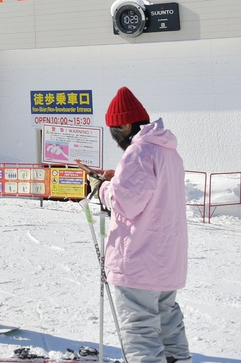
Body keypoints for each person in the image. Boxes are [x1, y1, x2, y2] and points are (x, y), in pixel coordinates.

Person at [95, 87, 192, 363]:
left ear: (125, 124)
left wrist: (101, 188)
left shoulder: (138, 152)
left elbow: (125, 204)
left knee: (140, 333)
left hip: (139, 260)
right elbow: (149, 196)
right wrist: (117, 180)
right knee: (168, 323)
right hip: (166, 260)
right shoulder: (167, 151)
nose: (115, 137)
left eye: (115, 130)